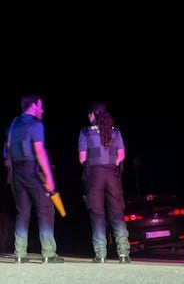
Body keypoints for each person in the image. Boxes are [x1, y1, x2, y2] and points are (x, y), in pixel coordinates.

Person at [4, 94, 64, 263]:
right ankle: (48, 253)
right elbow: (39, 151)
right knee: (45, 210)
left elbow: (6, 149)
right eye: (40, 106)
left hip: (17, 172)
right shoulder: (35, 124)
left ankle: (20, 253)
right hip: (32, 170)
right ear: (32, 106)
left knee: (22, 212)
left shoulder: (13, 124)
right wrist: (49, 177)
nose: (42, 110)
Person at [78, 102, 130, 263]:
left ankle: (100, 255)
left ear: (93, 114)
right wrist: (112, 163)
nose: (88, 117)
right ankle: (123, 253)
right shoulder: (115, 131)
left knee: (97, 215)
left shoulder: (85, 132)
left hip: (94, 175)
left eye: (89, 114)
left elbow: (82, 158)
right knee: (117, 214)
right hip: (112, 175)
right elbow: (121, 155)